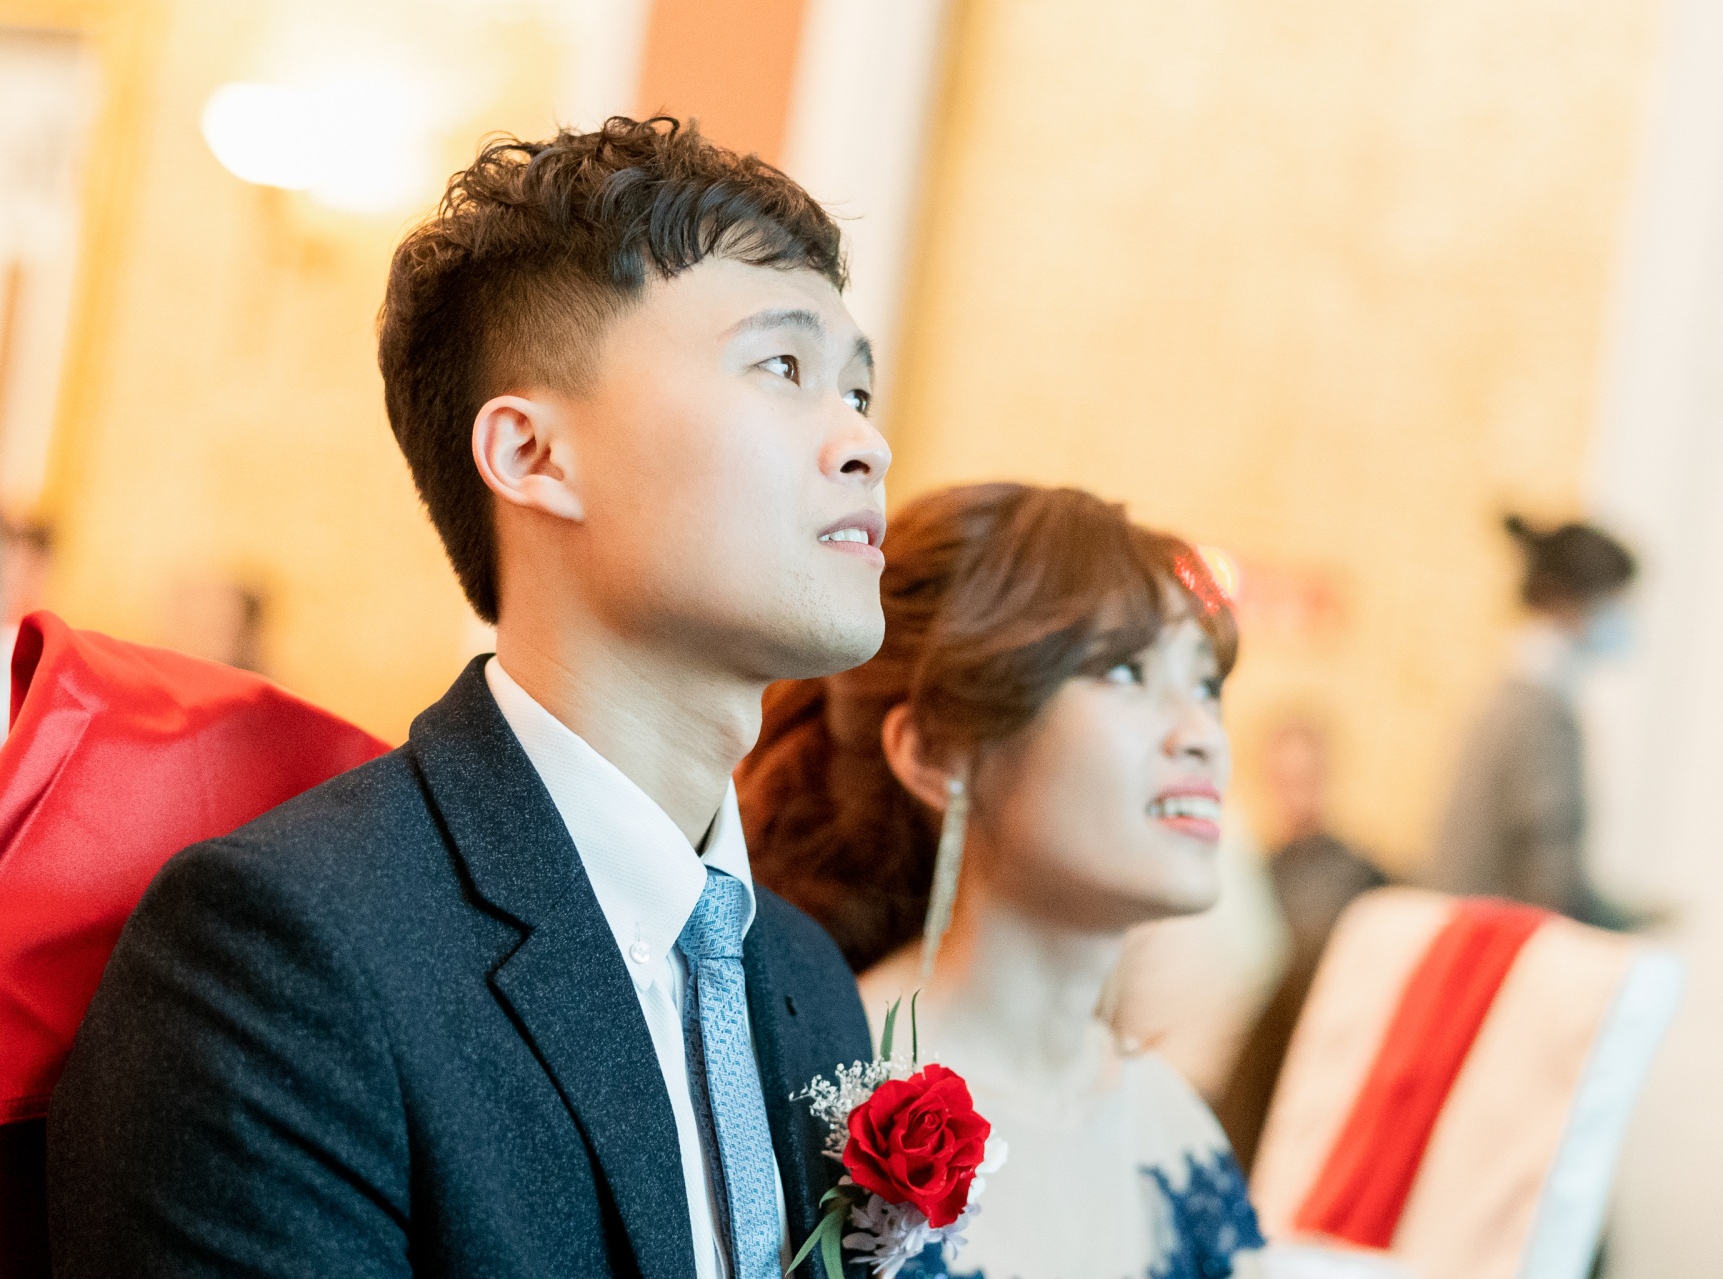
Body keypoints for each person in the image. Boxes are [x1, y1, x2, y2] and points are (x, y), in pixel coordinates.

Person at [48, 117, 883, 1278]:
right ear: (533, 454)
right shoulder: (291, 953)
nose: (863, 442)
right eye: (783, 368)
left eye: (859, 387)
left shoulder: (805, 978)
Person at [738, 483, 1266, 1279]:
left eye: (1204, 686)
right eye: (1126, 672)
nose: (1203, 738)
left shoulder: (1171, 1132)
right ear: (936, 752)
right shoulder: (821, 1094)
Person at [1428, 514, 1641, 929]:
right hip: (1490, 937)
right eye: (1613, 603)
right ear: (1567, 602)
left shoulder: (1512, 697)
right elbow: (1549, 873)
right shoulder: (1539, 715)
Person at [1215, 720, 1387, 1169]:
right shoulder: (1249, 879)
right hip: (1263, 1077)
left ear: (1324, 776)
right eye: (1286, 780)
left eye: (1305, 778)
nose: (1297, 794)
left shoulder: (1363, 877)